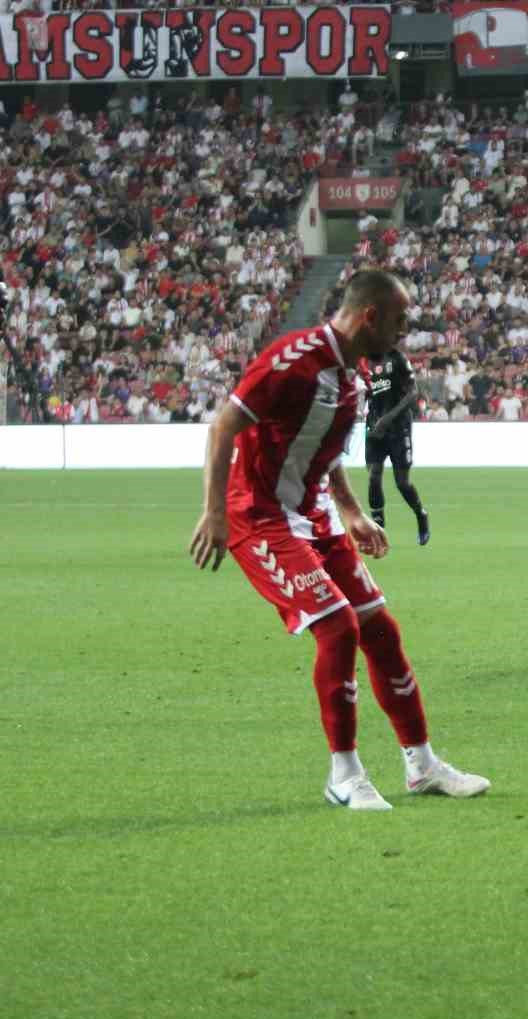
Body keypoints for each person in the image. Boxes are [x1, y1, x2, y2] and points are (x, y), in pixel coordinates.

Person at [188, 270, 488, 811]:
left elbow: (322, 453)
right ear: (370, 316)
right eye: (399, 320)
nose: (404, 331)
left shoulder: (354, 376)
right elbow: (223, 426)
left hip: (315, 517)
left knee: (381, 629)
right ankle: (343, 775)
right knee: (336, 625)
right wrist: (213, 512)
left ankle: (421, 765)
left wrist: (350, 511)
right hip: (259, 517)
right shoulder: (292, 360)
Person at [364, 347, 430, 545]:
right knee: (374, 476)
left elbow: (413, 392)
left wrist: (388, 418)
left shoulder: (397, 357)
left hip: (399, 427)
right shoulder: (364, 360)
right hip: (375, 426)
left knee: (402, 483)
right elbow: (365, 392)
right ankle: (378, 527)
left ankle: (421, 514)